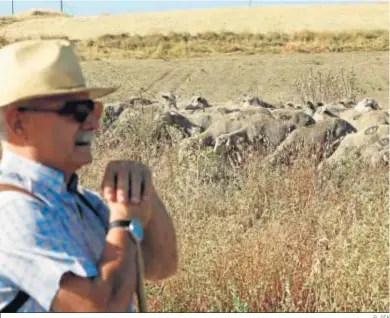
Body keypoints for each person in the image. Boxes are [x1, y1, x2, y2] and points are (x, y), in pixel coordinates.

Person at [0, 39, 178, 312]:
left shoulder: (81, 203)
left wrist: (141, 194)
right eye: (77, 111)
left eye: (93, 108)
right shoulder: (13, 212)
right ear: (18, 123)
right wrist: (123, 222)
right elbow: (100, 309)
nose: (93, 122)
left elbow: (161, 265)